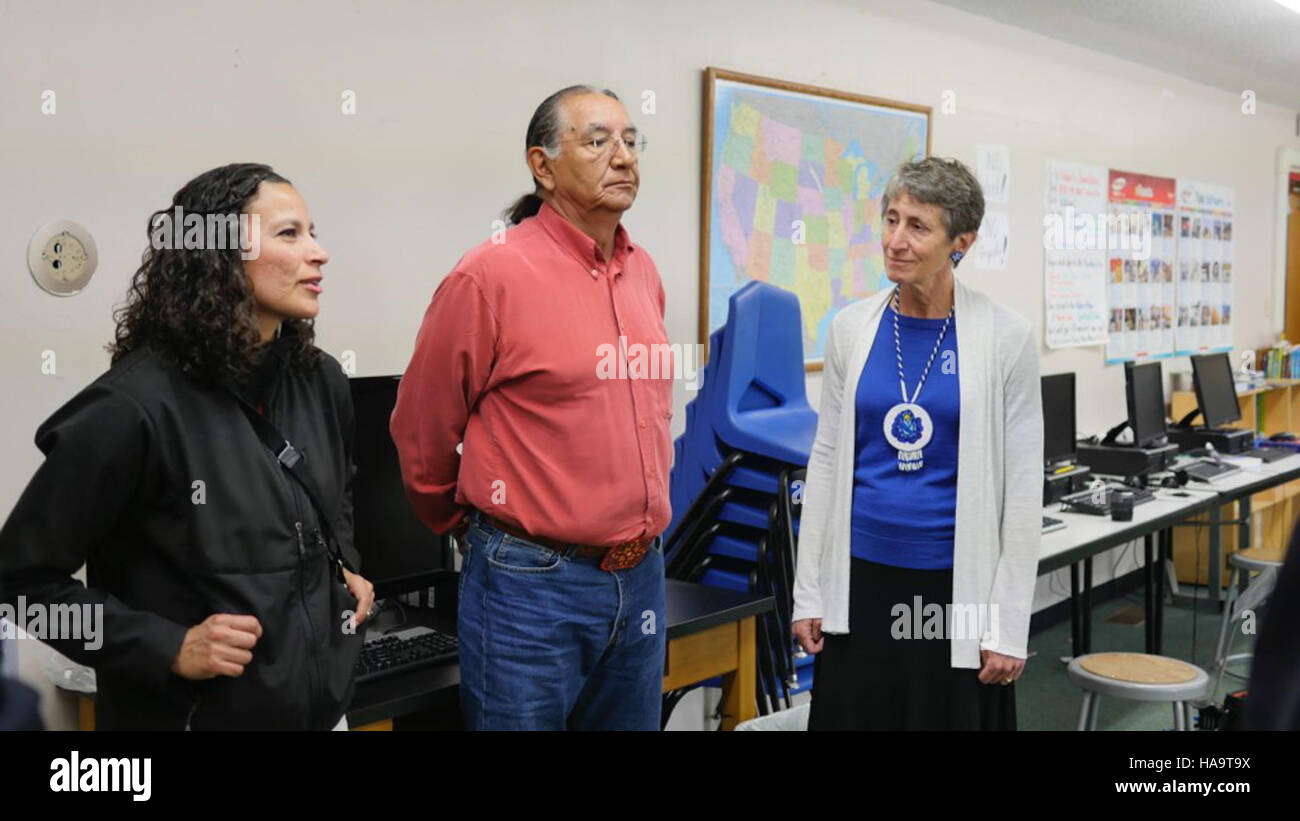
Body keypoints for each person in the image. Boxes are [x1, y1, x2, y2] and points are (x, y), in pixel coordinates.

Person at [0, 163, 374, 730]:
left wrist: (343, 563)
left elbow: (335, 493)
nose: (319, 253)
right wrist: (167, 646)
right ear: (218, 257)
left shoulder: (321, 380)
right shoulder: (131, 408)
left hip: (323, 716)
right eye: (289, 234)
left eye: (312, 232)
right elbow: (20, 586)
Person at [390, 85, 670, 730]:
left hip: (643, 573)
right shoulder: (489, 276)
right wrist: (464, 524)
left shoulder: (643, 270)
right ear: (541, 166)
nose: (623, 157)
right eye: (598, 140)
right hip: (531, 582)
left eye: (631, 141)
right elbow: (420, 425)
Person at [791, 157, 1042, 730]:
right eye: (890, 219)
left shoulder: (1006, 337)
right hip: (860, 580)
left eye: (917, 227)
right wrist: (811, 591)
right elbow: (826, 458)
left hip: (956, 586)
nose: (895, 241)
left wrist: (1007, 625)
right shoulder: (852, 328)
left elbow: (1026, 488)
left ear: (962, 242)